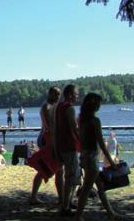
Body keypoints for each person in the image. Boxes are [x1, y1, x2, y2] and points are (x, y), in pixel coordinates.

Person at [76, 93, 118, 221]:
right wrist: (111, 160)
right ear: (94, 105)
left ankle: (111, 212)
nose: (100, 106)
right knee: (87, 189)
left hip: (84, 155)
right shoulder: (95, 121)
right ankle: (78, 216)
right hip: (91, 158)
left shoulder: (82, 119)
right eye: (98, 103)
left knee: (100, 186)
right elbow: (101, 142)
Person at [29, 86, 63, 205]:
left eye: (59, 94)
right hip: (47, 139)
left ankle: (61, 198)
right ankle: (34, 197)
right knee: (45, 168)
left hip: (51, 139)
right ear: (49, 94)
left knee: (58, 170)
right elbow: (49, 127)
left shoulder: (54, 106)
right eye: (55, 94)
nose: (57, 97)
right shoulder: (47, 107)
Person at [54, 84, 81, 216]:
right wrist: (84, 139)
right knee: (71, 176)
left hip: (61, 145)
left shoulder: (59, 107)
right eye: (76, 94)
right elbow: (74, 128)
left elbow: (57, 127)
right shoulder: (69, 108)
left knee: (73, 174)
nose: (77, 96)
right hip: (69, 146)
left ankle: (68, 201)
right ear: (70, 94)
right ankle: (65, 206)